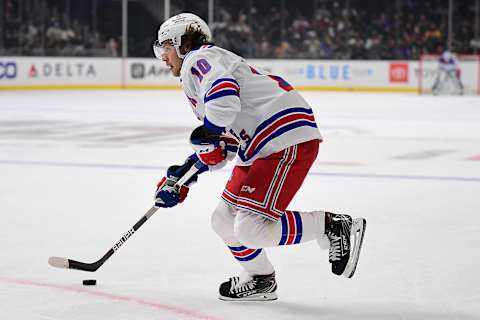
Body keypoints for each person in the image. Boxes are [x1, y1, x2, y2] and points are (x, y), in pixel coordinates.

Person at [152, 13, 366, 301]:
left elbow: (223, 96)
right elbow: (224, 142)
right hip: (259, 144)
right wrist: (184, 175)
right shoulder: (203, 68)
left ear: (181, 43)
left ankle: (330, 225)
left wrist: (209, 135)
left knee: (251, 229)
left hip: (281, 136)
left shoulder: (198, 59)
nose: (162, 56)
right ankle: (260, 278)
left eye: (164, 47)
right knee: (223, 221)